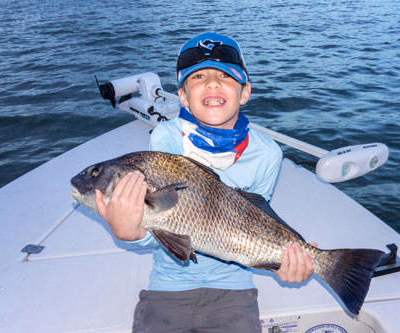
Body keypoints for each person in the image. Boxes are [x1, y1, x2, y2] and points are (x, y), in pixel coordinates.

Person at [95, 32, 314, 333]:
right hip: (169, 287)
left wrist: (285, 261)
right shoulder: (166, 138)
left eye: (225, 75)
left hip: (234, 290)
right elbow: (167, 225)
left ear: (244, 92)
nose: (212, 83)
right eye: (198, 76)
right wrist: (130, 232)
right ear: (183, 96)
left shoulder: (267, 154)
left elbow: (257, 217)